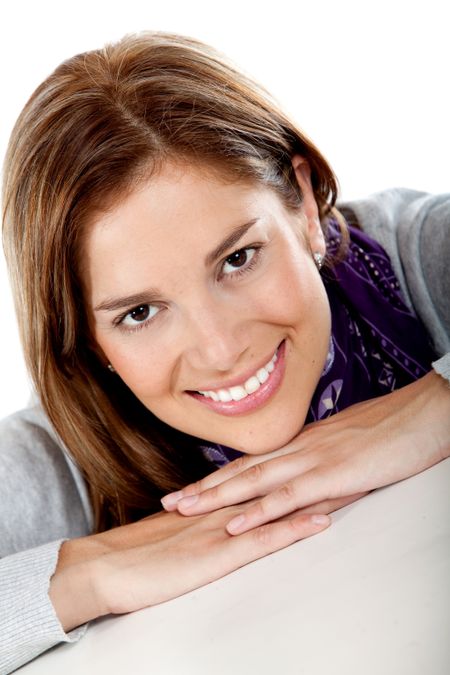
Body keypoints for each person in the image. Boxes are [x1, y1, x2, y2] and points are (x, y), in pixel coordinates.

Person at [0, 31, 449, 674]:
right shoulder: (57, 462)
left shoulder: (417, 258)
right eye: (139, 313)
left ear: (299, 201)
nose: (220, 349)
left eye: (237, 259)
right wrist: (83, 575)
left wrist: (435, 403)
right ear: (87, 339)